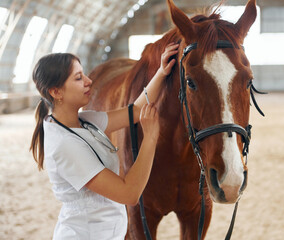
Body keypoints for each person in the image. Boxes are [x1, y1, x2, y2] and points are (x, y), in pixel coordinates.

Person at [29, 43, 179, 239]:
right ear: (56, 92)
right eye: (78, 78)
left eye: (84, 74)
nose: (89, 81)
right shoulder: (64, 145)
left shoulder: (85, 121)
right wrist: (150, 138)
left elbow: (134, 111)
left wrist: (161, 72)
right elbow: (129, 194)